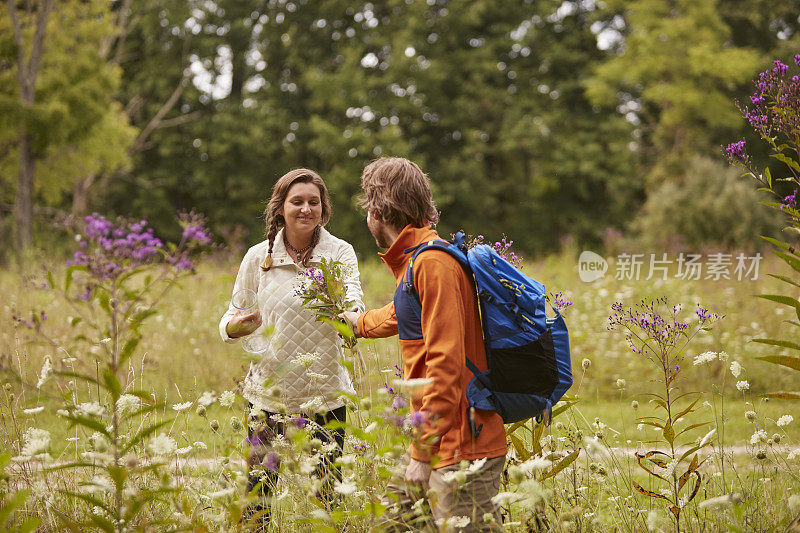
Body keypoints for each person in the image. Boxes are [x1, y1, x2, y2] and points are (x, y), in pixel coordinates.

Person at [342, 157, 507, 532]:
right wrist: (357, 324)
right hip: (437, 438)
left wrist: (421, 452)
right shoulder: (417, 262)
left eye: (370, 206)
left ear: (378, 212)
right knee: (389, 524)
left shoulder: (432, 263)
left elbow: (445, 366)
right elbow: (404, 313)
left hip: (462, 446)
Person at [219, 168, 364, 521]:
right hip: (269, 394)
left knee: (328, 497)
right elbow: (231, 317)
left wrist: (350, 315)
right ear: (280, 208)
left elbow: (354, 303)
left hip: (326, 392)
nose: (306, 209)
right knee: (258, 493)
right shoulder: (258, 257)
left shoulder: (340, 252)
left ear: (323, 208)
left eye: (313, 202)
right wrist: (238, 326)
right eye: (296, 201)